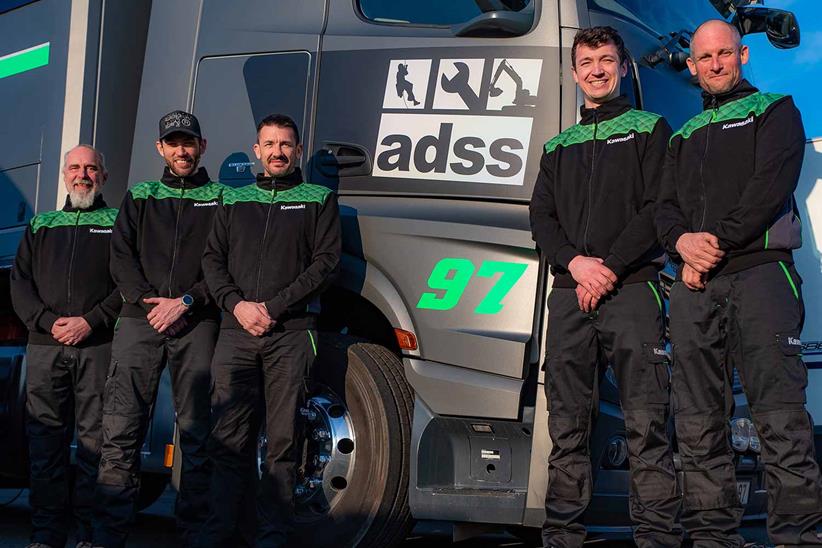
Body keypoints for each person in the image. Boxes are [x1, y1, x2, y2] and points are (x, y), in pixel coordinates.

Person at [656, 19, 822, 546]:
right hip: (694, 289)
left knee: (781, 422)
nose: (715, 65)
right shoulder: (680, 136)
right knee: (699, 426)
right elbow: (662, 209)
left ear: (743, 55)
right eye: (704, 58)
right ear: (692, 65)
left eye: (724, 54)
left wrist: (712, 246)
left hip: (761, 278)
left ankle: (797, 536)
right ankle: (713, 538)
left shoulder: (776, 110)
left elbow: (768, 189)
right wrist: (681, 243)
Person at [529, 26, 680, 548]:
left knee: (646, 425)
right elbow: (541, 218)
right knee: (567, 428)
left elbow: (658, 208)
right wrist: (576, 264)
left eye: (607, 60)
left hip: (634, 291)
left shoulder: (650, 128)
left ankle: (657, 539)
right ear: (574, 73)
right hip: (570, 297)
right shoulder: (557, 146)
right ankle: (562, 537)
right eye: (587, 61)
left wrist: (609, 268)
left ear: (621, 67)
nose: (597, 69)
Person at [200, 114, 341, 546]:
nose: (277, 152)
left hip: (292, 332)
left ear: (297, 151)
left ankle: (272, 536)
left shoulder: (319, 198)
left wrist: (274, 307)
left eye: (286, 144)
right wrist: (238, 306)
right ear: (256, 151)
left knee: (282, 442)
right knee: (228, 438)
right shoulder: (233, 199)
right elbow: (212, 261)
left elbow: (326, 263)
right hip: (236, 331)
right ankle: (222, 534)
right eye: (269, 144)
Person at [94, 111, 225, 547]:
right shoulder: (141, 195)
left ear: (202, 146)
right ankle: (111, 536)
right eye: (173, 142)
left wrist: (187, 301)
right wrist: (149, 302)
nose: (181, 150)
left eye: (189, 142)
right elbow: (120, 256)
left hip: (197, 320)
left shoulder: (222, 196)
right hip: (140, 319)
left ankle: (195, 537)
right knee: (121, 430)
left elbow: (227, 264)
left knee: (197, 434)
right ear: (160, 149)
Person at [11, 145, 121, 548]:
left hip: (98, 346)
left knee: (96, 445)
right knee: (46, 445)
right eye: (75, 167)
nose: (83, 175)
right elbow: (19, 284)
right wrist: (46, 322)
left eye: (92, 168)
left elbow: (128, 285)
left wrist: (89, 321)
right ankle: (45, 535)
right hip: (45, 347)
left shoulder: (118, 223)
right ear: (64, 175)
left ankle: (88, 536)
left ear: (104, 177)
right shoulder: (42, 224)